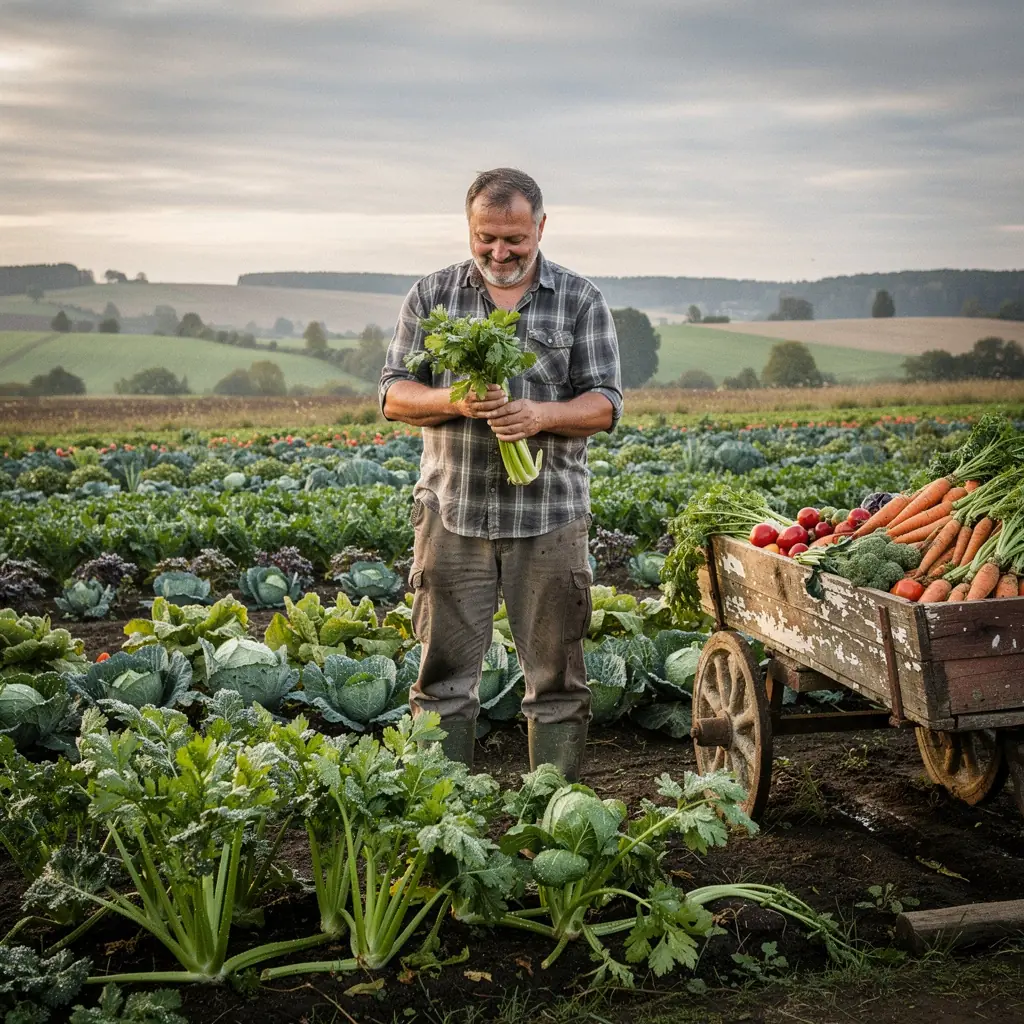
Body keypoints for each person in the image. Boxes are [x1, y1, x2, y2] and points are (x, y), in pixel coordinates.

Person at [378, 168, 622, 780]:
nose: (499, 252)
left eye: (515, 238)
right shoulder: (433, 297)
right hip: (451, 512)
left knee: (557, 680)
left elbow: (606, 405)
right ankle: (443, 812)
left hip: (549, 516)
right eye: (486, 237)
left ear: (540, 226)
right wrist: (453, 401)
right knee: (442, 680)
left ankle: (552, 811)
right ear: (469, 228)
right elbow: (393, 396)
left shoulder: (580, 299)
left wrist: (541, 414)